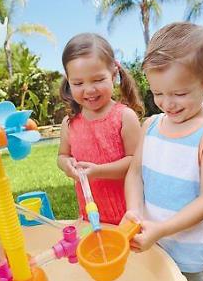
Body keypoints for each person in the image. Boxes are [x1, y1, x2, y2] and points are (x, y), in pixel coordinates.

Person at [123, 22, 203, 281]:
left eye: (179, 93)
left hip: (187, 249)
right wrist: (133, 209)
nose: (167, 103)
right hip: (150, 239)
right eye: (158, 93)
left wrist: (163, 229)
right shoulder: (151, 125)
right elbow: (135, 172)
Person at [58, 33, 144, 225]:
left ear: (113, 75)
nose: (89, 90)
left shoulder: (124, 117)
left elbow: (136, 163)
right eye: (78, 83)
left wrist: (97, 171)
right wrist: (67, 165)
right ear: (68, 81)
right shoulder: (69, 123)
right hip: (91, 216)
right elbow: (62, 156)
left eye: (97, 80)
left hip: (128, 215)